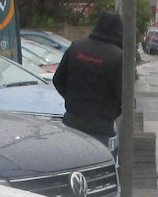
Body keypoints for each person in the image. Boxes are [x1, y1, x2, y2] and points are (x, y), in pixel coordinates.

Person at [52, 11, 124, 143]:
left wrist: (73, 100)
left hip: (72, 122)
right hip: (101, 128)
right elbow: (124, 96)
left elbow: (58, 80)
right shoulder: (118, 56)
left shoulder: (76, 47)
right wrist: (110, 114)